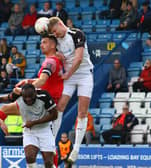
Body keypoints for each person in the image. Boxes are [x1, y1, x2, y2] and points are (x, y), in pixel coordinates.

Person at [48, 17, 94, 163]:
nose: (55, 35)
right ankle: (51, 144)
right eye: (52, 33)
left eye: (55, 31)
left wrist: (68, 73)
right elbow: (54, 55)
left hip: (84, 75)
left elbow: (79, 58)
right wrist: (58, 57)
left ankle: (76, 150)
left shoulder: (77, 34)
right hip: (69, 77)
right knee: (59, 107)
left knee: (82, 112)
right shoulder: (56, 40)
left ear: (60, 24)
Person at [0, 84, 58, 168]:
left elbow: (54, 115)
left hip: (45, 129)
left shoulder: (44, 96)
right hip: (29, 131)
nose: (28, 100)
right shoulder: (17, 95)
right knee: (29, 156)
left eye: (30, 98)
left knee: (48, 162)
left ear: (35, 93)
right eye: (25, 98)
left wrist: (33, 123)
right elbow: (5, 99)